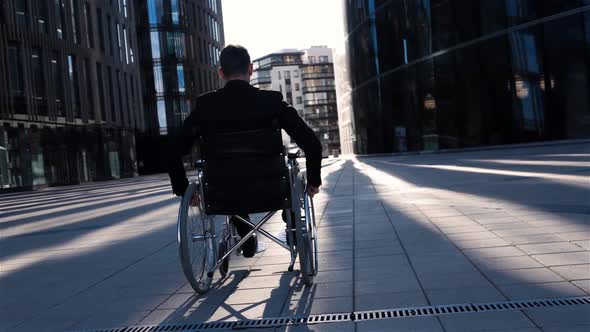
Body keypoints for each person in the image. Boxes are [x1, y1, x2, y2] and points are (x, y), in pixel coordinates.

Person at [167, 45, 322, 258]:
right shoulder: (272, 101)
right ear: (251, 69)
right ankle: (293, 225)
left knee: (232, 179)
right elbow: (312, 143)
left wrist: (183, 188)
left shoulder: (205, 106)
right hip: (273, 190)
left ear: (221, 72)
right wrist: (313, 180)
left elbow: (172, 150)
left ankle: (244, 232)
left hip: (221, 194)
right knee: (286, 178)